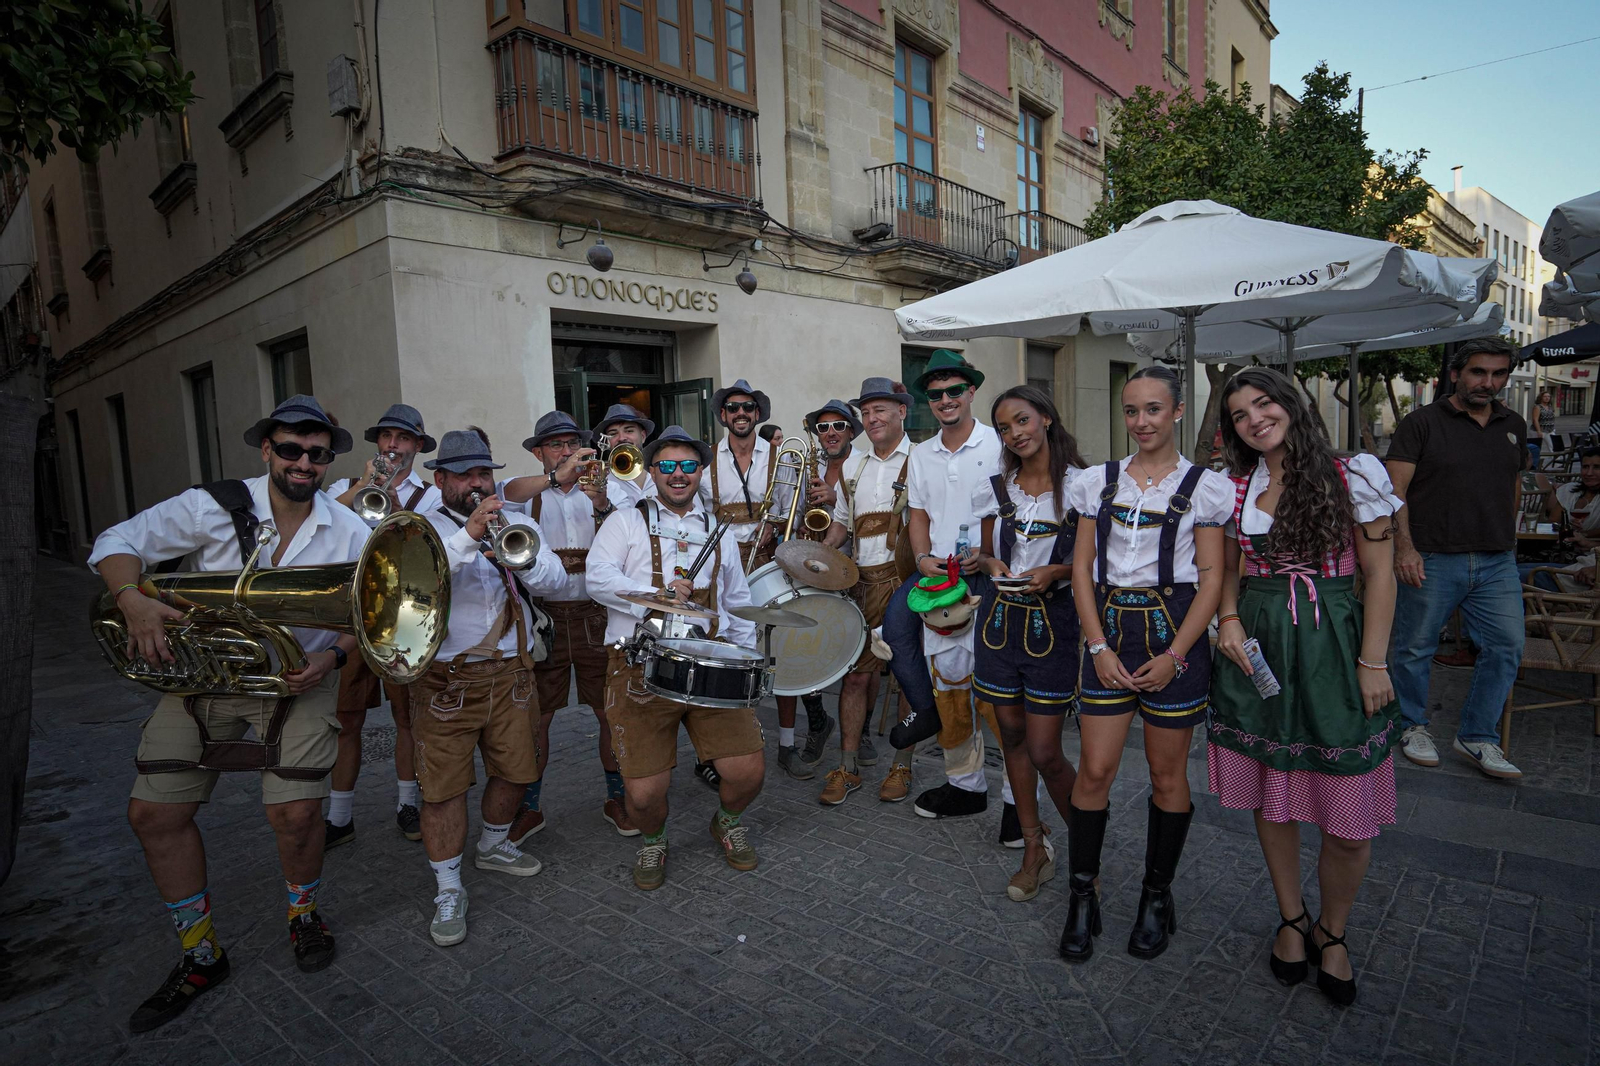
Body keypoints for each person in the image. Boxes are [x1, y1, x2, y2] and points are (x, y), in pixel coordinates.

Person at [91, 395, 369, 1031]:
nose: (304, 461)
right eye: (291, 448)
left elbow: (369, 619)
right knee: (152, 812)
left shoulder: (350, 529)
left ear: (328, 461)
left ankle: (303, 914)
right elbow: (118, 540)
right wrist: (130, 597)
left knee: (297, 814)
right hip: (208, 678)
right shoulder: (210, 506)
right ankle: (199, 949)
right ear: (267, 449)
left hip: (303, 677)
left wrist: (332, 663)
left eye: (317, 453)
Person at [1210, 367, 1403, 1007]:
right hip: (1262, 645)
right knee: (1275, 796)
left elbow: (1380, 575)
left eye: (1263, 403)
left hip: (1333, 643)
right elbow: (1229, 568)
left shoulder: (1355, 475)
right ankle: (1291, 917)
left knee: (1347, 820)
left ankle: (1334, 929)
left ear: (1291, 405)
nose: (1254, 419)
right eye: (1240, 413)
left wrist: (1372, 662)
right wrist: (1229, 619)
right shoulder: (1236, 486)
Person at [1064, 366, 1231, 963]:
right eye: (1132, 411)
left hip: (1174, 633)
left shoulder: (1206, 487)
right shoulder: (1095, 482)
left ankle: (1156, 895)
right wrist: (1097, 647)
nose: (1141, 422)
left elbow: (1211, 581)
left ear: (1178, 413)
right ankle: (1082, 895)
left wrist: (1176, 655)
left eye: (1154, 410)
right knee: (1094, 773)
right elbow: (1082, 571)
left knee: (1167, 776)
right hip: (1109, 631)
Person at [587, 426, 767, 890]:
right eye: (667, 466)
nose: (678, 474)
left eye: (688, 465)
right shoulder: (625, 520)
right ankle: (655, 839)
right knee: (643, 795)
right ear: (653, 471)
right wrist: (656, 595)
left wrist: (745, 656)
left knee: (748, 773)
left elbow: (735, 599)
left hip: (709, 664)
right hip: (639, 666)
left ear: (701, 472)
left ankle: (726, 820)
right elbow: (597, 578)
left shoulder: (718, 531)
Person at [412, 429, 571, 947]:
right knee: (443, 787)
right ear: (441, 481)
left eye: (485, 473)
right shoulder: (417, 528)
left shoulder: (518, 521)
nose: (478, 484)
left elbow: (556, 584)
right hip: (444, 677)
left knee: (518, 768)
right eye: (465, 475)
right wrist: (467, 539)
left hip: (512, 671)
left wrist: (515, 554)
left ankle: (495, 843)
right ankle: (449, 886)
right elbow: (414, 586)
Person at [880, 350, 1024, 841]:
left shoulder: (1000, 444)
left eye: (954, 391)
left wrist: (984, 558)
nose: (945, 400)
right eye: (935, 394)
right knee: (950, 690)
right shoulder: (921, 454)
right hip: (939, 584)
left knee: (1000, 699)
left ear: (971, 393)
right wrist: (922, 560)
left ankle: (1018, 801)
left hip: (990, 582)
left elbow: (1008, 515)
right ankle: (965, 785)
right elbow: (917, 515)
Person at [1386, 338, 1526, 780]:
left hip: (1496, 559)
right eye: (1478, 372)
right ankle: (1411, 726)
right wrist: (1403, 548)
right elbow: (1394, 492)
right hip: (1432, 556)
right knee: (1414, 649)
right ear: (1456, 374)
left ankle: (1477, 735)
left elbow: (1514, 483)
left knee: (1506, 646)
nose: (1488, 382)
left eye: (1498, 374)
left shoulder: (1514, 424)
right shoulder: (1421, 423)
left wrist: (1511, 536)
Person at [971, 386, 1089, 903]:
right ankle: (1034, 849)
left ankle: (1086, 855)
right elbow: (982, 552)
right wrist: (991, 565)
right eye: (1004, 427)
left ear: (1045, 417)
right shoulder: (999, 488)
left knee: (1046, 751)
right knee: (1012, 739)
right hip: (999, 623)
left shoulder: (1083, 487)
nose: (1015, 433)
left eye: (1022, 420)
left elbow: (1094, 563)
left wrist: (1057, 570)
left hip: (1054, 624)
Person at [498, 412, 635, 843]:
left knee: (609, 713)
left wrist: (600, 501)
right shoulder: (530, 492)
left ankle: (617, 798)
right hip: (545, 618)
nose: (565, 451)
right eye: (555, 445)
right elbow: (507, 491)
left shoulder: (605, 486)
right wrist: (557, 477)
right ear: (539, 453)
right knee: (537, 719)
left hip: (598, 615)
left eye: (571, 443)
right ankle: (530, 807)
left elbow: (633, 526)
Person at [322, 403, 440, 848]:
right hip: (351, 617)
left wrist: (394, 506)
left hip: (401, 618)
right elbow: (322, 518)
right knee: (346, 720)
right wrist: (365, 485)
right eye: (387, 437)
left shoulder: (429, 495)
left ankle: (407, 802)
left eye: (403, 439)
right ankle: (339, 815)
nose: (394, 446)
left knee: (407, 718)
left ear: (417, 446)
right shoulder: (345, 487)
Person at [820, 379, 917, 804]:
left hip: (908, 583)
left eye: (881, 409)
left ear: (902, 412)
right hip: (861, 582)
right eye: (867, 412)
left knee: (908, 678)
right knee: (855, 677)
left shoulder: (922, 460)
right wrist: (817, 556)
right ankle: (848, 766)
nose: (873, 418)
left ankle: (903, 766)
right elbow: (842, 525)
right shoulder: (853, 467)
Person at [771, 399, 861, 781]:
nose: (830, 433)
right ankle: (815, 722)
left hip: (849, 566)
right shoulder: (805, 465)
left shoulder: (865, 465)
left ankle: (857, 735)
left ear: (851, 430)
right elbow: (780, 508)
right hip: (805, 565)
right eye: (822, 428)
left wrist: (835, 499)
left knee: (850, 656)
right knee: (794, 648)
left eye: (838, 425)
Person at [593, 402, 657, 511]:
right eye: (613, 433)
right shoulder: (601, 481)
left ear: (643, 436)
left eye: (629, 431)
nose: (622, 438)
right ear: (607, 442)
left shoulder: (663, 474)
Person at [1528, 388, 1555, 468]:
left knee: (1553, 446)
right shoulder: (1538, 407)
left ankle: (1553, 463)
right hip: (1539, 430)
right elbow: (1535, 419)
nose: (1547, 398)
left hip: (1550, 429)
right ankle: (1535, 464)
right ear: (1541, 397)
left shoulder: (1550, 407)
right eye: (1545, 396)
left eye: (1548, 396)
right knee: (1536, 448)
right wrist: (1539, 431)